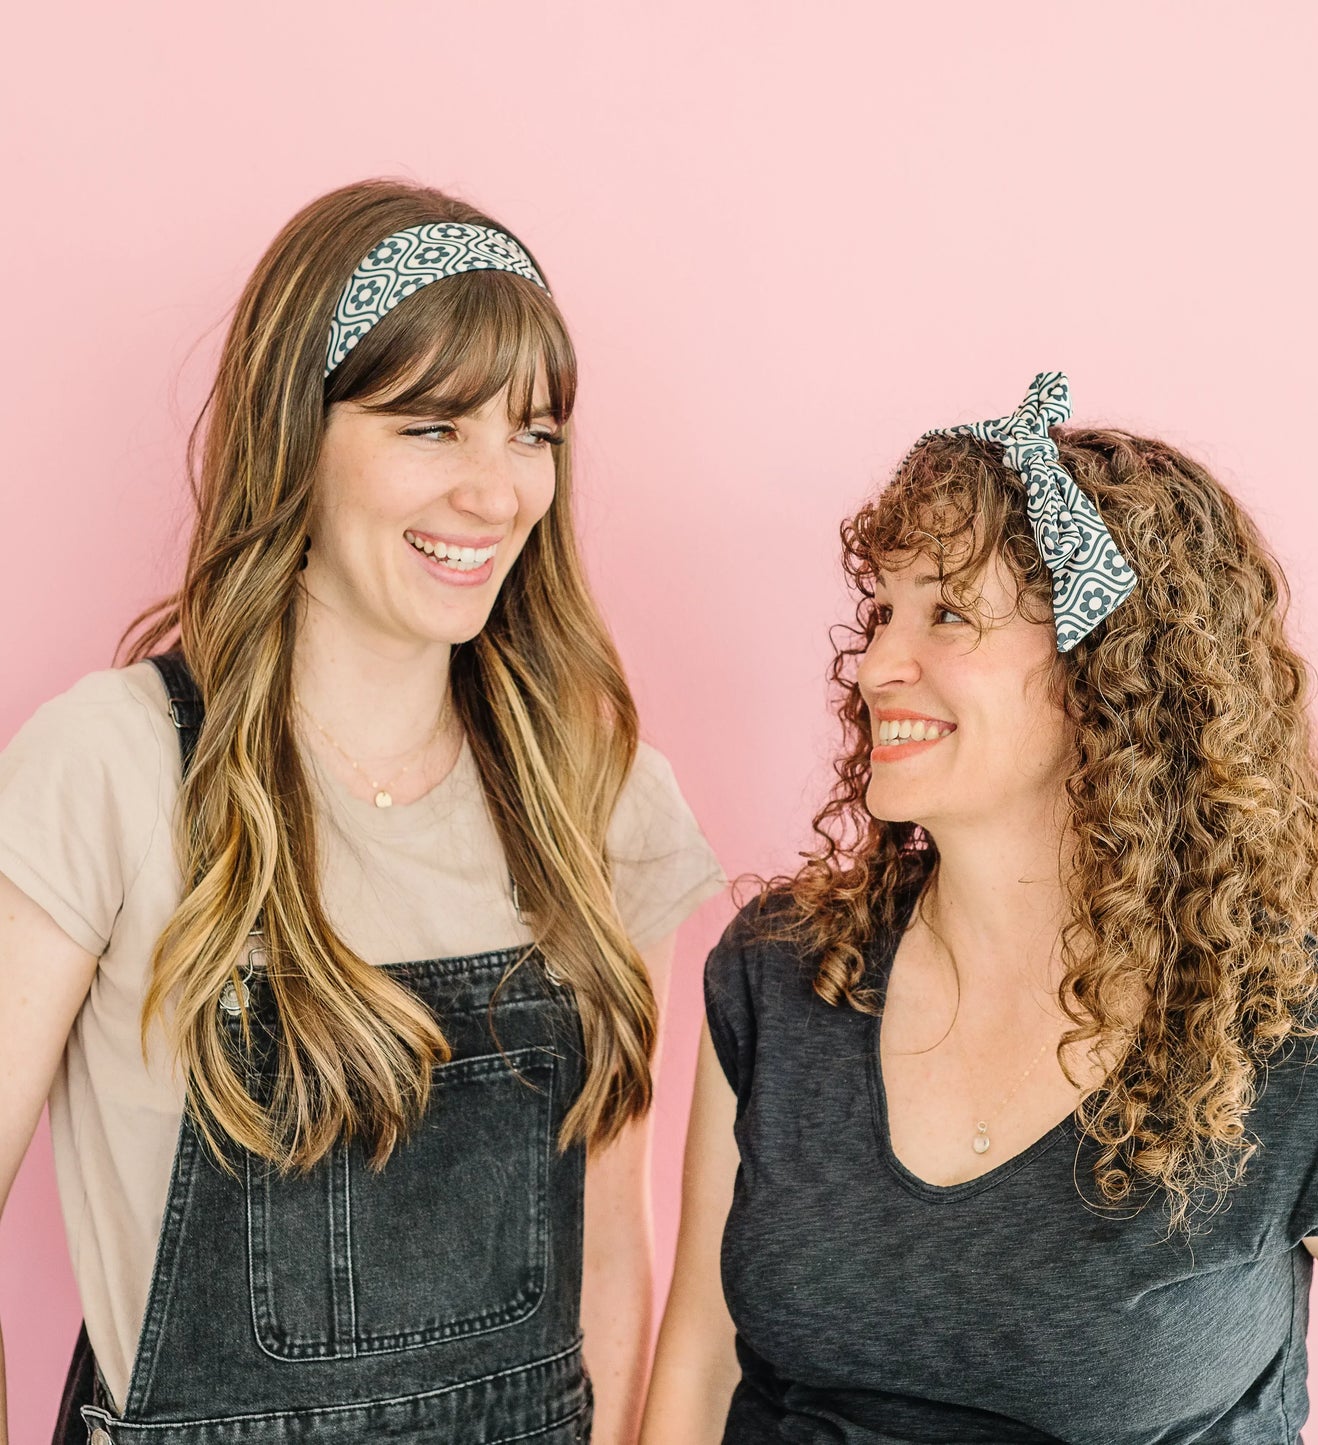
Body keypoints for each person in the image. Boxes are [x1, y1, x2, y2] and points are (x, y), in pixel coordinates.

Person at [0, 179, 725, 1445]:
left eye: (535, 432)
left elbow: (610, 1261)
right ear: (297, 435)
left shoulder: (595, 795)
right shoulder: (111, 768)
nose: (497, 493)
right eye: (432, 428)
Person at [643, 373, 1318, 1443]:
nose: (878, 661)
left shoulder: (1301, 1042)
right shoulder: (785, 972)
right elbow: (698, 1355)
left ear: (1105, 673)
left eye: (948, 613)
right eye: (882, 609)